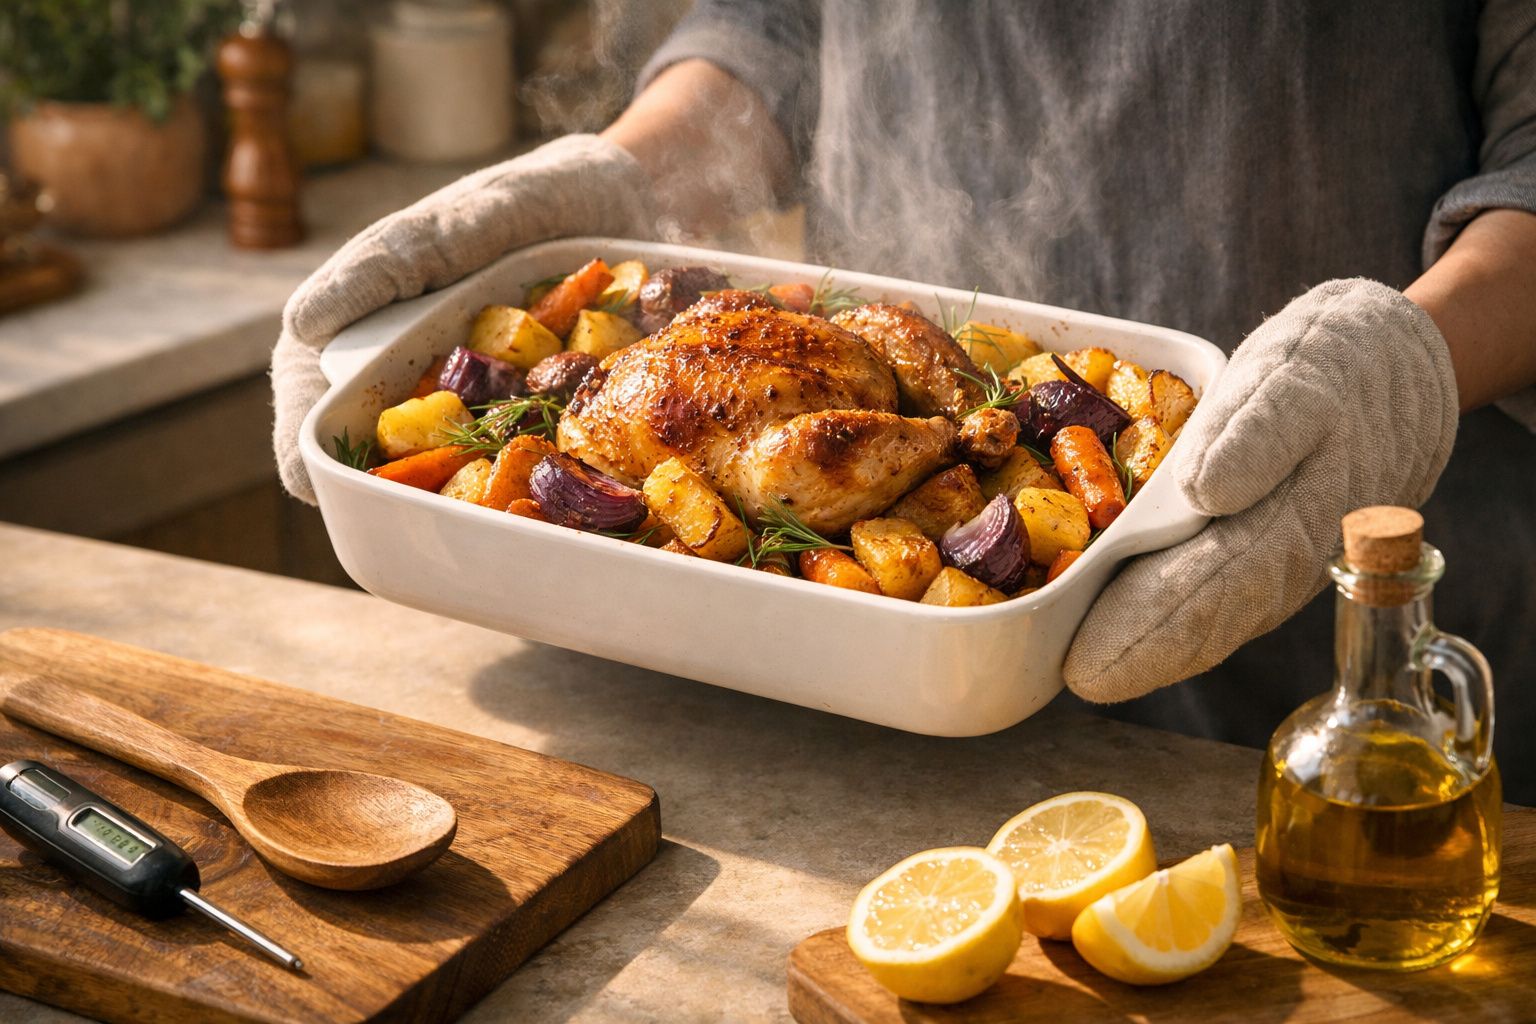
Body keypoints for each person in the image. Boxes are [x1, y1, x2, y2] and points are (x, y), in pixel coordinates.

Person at [272, 2, 1536, 800]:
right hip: (849, 704)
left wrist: (1400, 365)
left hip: (1343, 643)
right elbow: (769, 36)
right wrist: (618, 179)